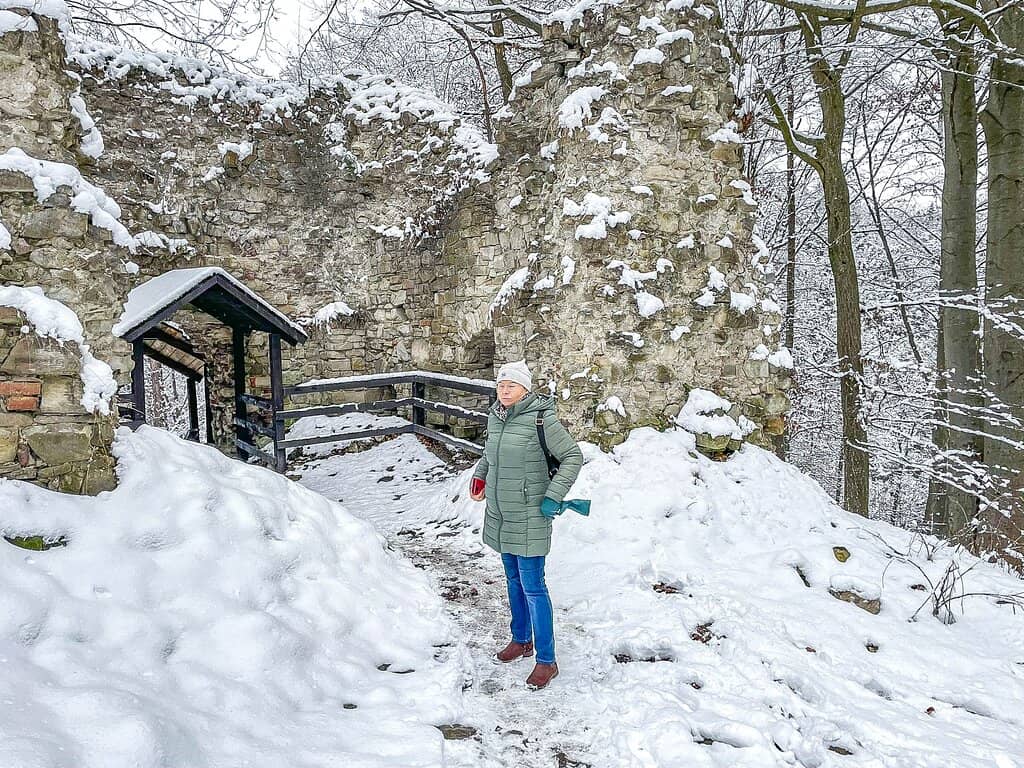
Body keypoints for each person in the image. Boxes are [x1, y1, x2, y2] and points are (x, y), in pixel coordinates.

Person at [469, 359, 584, 690]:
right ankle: (521, 640)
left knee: (533, 586)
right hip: (501, 514)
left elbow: (573, 456)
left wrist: (553, 494)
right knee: (512, 580)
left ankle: (546, 661)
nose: (505, 390)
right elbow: (490, 454)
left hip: (531, 513)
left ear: (525, 389)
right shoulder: (497, 417)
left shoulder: (540, 419)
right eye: (501, 384)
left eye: (512, 385)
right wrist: (480, 477)